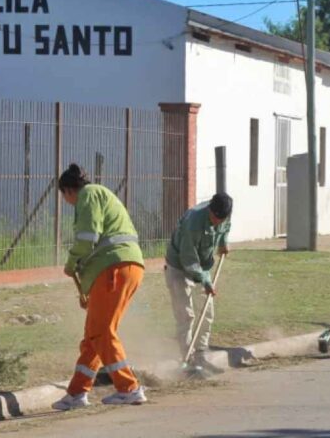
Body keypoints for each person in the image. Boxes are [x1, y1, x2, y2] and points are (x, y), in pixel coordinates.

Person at [52, 163, 147, 411]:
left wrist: (71, 262)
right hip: (121, 268)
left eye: (64, 196)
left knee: (103, 332)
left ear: (68, 191)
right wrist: (86, 287)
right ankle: (76, 393)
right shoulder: (98, 194)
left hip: (115, 269)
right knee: (94, 336)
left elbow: (88, 237)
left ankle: (129, 388)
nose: (67, 201)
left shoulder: (89, 194)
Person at [165, 192, 232, 372]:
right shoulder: (193, 222)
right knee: (186, 314)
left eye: (221, 219)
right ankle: (188, 359)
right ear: (210, 209)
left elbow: (226, 227)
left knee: (207, 310)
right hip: (179, 266)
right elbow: (188, 259)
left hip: (202, 264)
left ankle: (201, 355)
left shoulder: (224, 214)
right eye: (215, 218)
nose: (217, 222)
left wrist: (223, 242)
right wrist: (204, 280)